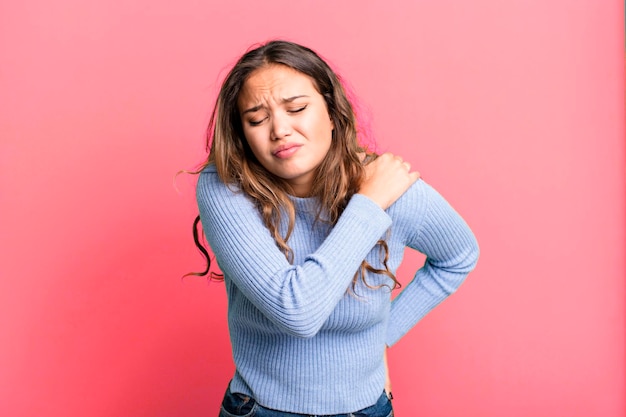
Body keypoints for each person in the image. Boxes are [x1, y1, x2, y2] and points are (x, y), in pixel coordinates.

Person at [190, 40, 479, 417]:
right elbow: (297, 312)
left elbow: (459, 255)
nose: (280, 129)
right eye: (257, 120)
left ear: (331, 112)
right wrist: (369, 205)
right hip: (260, 409)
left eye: (297, 108)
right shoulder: (225, 186)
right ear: (242, 135)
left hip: (366, 409)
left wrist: (382, 339)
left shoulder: (391, 188)